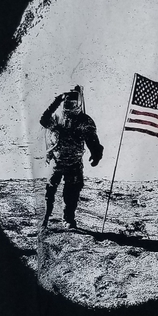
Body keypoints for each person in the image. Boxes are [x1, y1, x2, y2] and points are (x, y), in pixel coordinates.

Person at [40, 86, 103, 229]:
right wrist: (56, 101)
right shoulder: (57, 117)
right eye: (66, 103)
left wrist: (96, 154)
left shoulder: (84, 120)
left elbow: (92, 139)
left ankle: (68, 219)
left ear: (77, 104)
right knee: (50, 189)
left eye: (71, 104)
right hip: (56, 161)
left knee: (72, 192)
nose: (68, 106)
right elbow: (44, 120)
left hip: (74, 162)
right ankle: (46, 218)